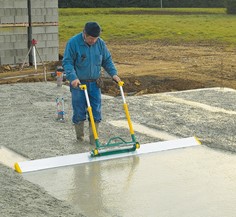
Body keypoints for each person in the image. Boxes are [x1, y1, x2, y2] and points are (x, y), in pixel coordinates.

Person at [62, 21, 121, 145]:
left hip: (94, 83)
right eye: (90, 38)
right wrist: (73, 77)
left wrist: (114, 74)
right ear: (84, 33)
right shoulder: (73, 43)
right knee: (79, 110)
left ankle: (94, 139)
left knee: (96, 110)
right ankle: (79, 138)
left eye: (95, 38)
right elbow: (67, 62)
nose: (93, 41)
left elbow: (107, 60)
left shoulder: (100, 44)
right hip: (78, 84)